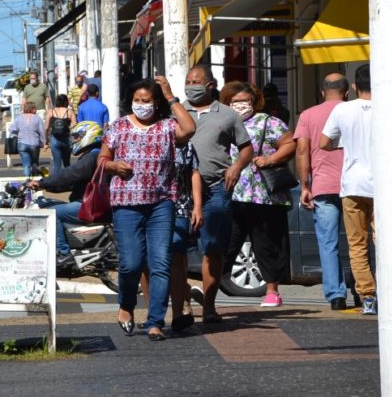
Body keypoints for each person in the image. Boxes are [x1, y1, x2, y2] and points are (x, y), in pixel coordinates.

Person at [99, 76, 195, 341]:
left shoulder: (167, 126)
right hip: (126, 204)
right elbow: (102, 159)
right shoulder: (117, 127)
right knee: (131, 263)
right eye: (137, 101)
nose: (141, 105)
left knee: (160, 263)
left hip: (161, 203)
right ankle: (126, 305)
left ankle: (155, 322)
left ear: (156, 103)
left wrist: (170, 96)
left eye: (147, 101)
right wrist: (114, 166)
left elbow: (189, 128)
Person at [182, 64, 253, 324]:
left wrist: (236, 166)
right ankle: (183, 305)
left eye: (196, 81)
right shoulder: (176, 112)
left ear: (211, 84)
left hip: (216, 189)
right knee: (176, 248)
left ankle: (209, 306)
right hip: (181, 190)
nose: (191, 86)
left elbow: (246, 148)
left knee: (213, 247)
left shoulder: (227, 115)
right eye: (188, 81)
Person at [220, 81, 295, 309]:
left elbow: (290, 144)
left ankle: (272, 291)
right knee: (225, 243)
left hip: (262, 195)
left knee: (266, 243)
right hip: (230, 193)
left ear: (254, 102)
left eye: (245, 101)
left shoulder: (268, 122)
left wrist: (270, 159)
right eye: (235, 102)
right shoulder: (221, 123)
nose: (240, 106)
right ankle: (210, 289)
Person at [321, 63, 375, 315]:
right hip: (384, 186)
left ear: (354, 87)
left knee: (357, 244)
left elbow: (323, 142)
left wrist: (342, 144)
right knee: (385, 242)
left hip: (352, 184)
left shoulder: (343, 110)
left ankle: (367, 296)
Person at [294, 73, 349, 310]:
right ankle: (365, 290)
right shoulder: (356, 112)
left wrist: (305, 185)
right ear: (347, 92)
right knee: (362, 241)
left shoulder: (308, 115)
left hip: (323, 186)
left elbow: (302, 151)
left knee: (328, 242)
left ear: (322, 91)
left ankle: (336, 295)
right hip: (357, 185)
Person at [27, 121, 103, 265]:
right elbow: (74, 183)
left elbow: (69, 175)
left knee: (50, 214)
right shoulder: (92, 155)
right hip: (88, 202)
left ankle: (63, 253)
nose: (74, 140)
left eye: (77, 137)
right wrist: (45, 187)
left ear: (90, 135)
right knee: (46, 203)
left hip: (88, 206)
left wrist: (43, 182)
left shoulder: (93, 156)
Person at [7, 100, 46, 177]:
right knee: (34, 163)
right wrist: (44, 143)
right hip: (34, 144)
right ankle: (35, 181)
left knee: (26, 165)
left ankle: (27, 182)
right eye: (35, 108)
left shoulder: (19, 118)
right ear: (32, 109)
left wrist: (16, 136)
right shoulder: (37, 118)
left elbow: (12, 129)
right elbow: (42, 132)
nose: (36, 110)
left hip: (22, 144)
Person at [45, 94, 76, 177]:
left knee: (56, 164)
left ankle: (56, 183)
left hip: (54, 139)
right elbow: (75, 127)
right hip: (66, 139)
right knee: (67, 163)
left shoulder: (51, 111)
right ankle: (69, 182)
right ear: (66, 102)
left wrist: (46, 141)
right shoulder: (69, 112)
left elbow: (46, 128)